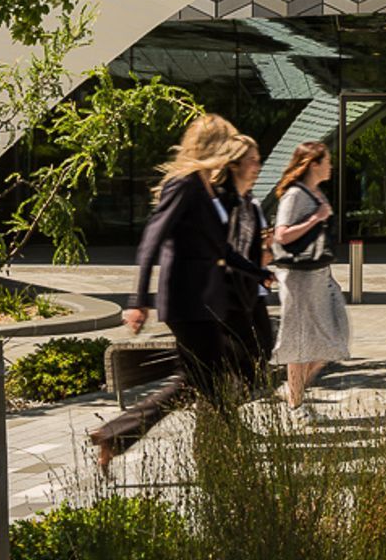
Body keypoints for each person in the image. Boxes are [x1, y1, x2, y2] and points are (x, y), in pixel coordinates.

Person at [87, 115, 277, 469]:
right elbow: (151, 240)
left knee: (198, 380)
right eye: (230, 142)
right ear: (215, 145)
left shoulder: (206, 188)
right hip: (186, 302)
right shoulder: (185, 184)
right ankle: (229, 450)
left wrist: (259, 273)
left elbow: (222, 251)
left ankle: (115, 436)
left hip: (205, 302)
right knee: (210, 379)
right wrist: (137, 300)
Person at [266, 141, 351, 407]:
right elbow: (281, 235)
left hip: (320, 275)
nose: (331, 166)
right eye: (326, 161)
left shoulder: (315, 193)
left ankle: (293, 392)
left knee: (334, 339)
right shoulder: (295, 195)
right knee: (300, 341)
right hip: (300, 278)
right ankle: (295, 403)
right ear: (313, 164)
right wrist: (315, 218)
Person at [221, 136, 276, 386]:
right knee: (242, 360)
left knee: (262, 348)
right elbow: (221, 251)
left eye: (258, 160)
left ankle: (230, 414)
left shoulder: (250, 206)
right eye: (251, 160)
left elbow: (256, 252)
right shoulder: (222, 201)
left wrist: (262, 268)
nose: (258, 166)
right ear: (233, 164)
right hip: (221, 294)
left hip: (246, 292)